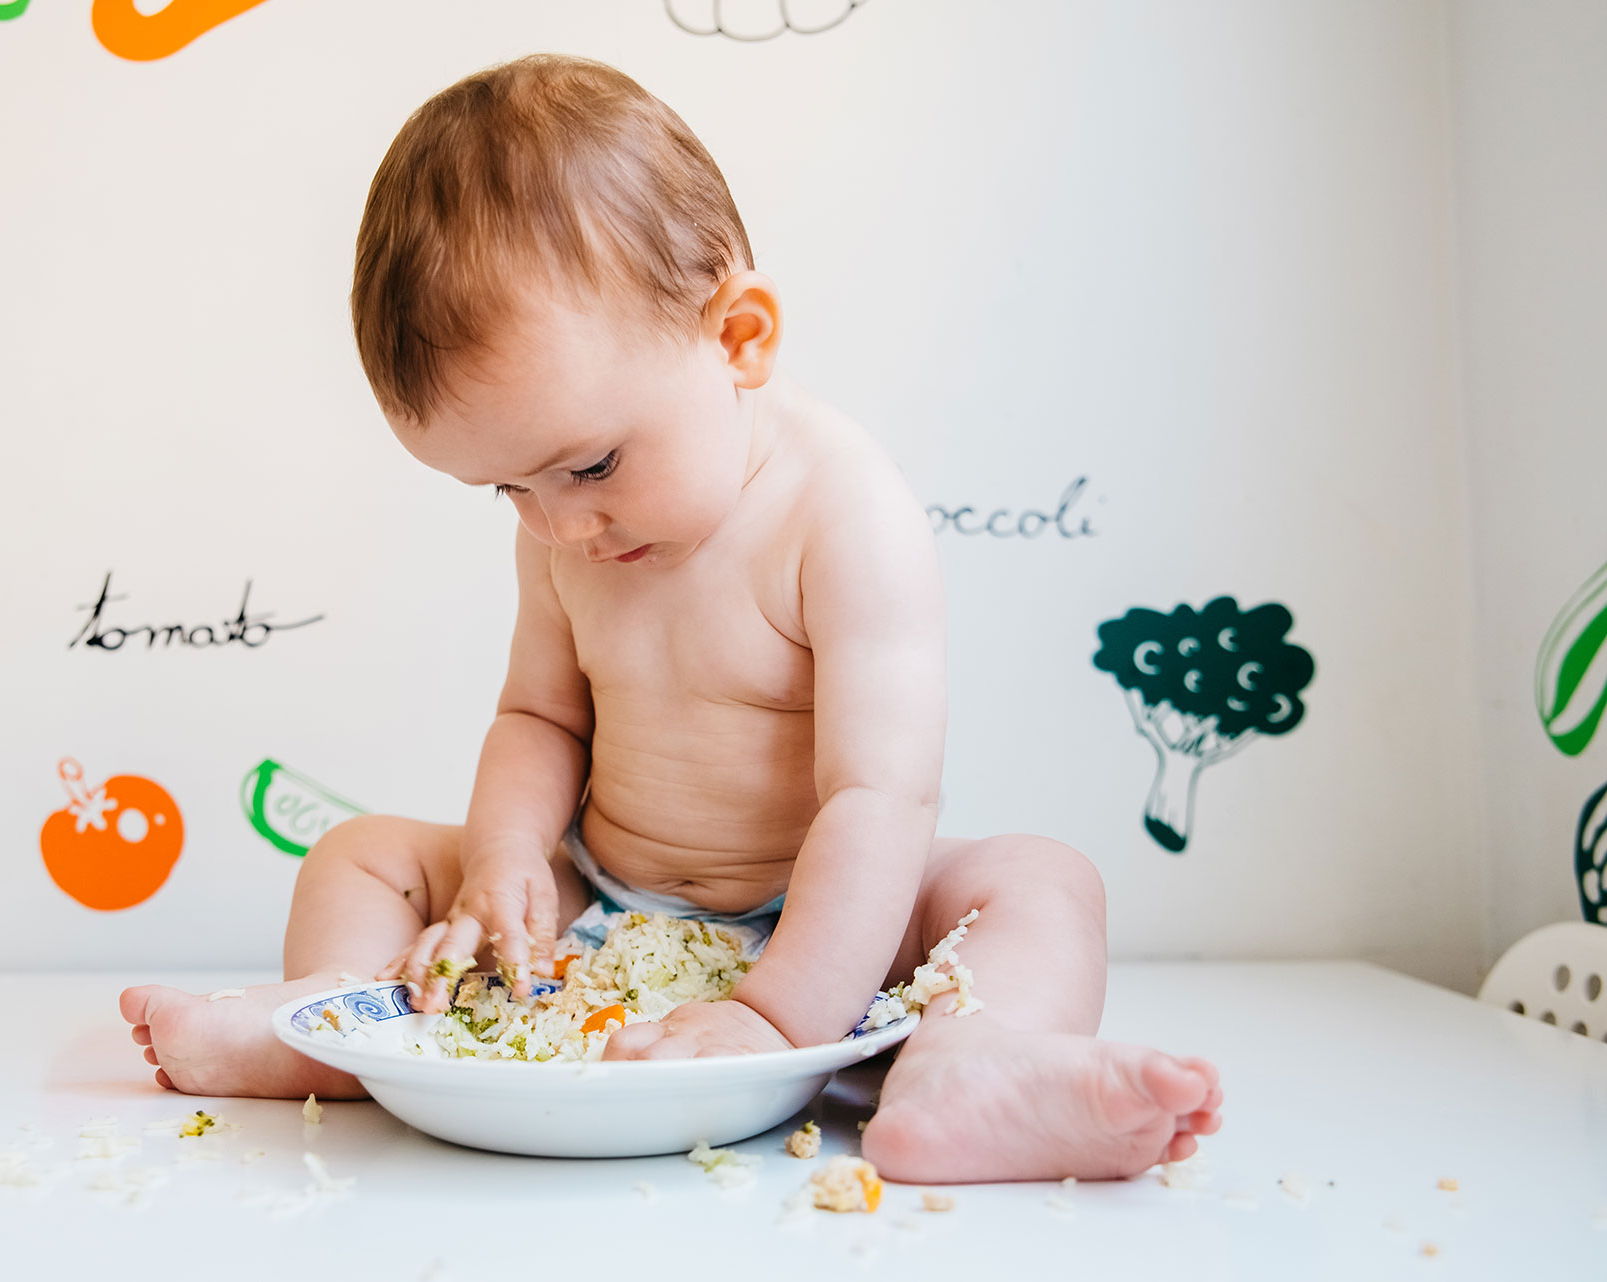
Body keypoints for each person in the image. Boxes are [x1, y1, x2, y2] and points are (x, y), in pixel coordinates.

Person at [120, 52, 1220, 1183]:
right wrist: (506, 861)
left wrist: (780, 1013)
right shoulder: (569, 529)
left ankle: (971, 1062)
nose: (558, 526)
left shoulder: (842, 514)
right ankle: (345, 1022)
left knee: (1042, 882)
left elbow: (878, 796)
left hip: (832, 916)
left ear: (738, 337)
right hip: (603, 899)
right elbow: (538, 718)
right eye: (510, 488)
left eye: (590, 464)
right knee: (363, 857)